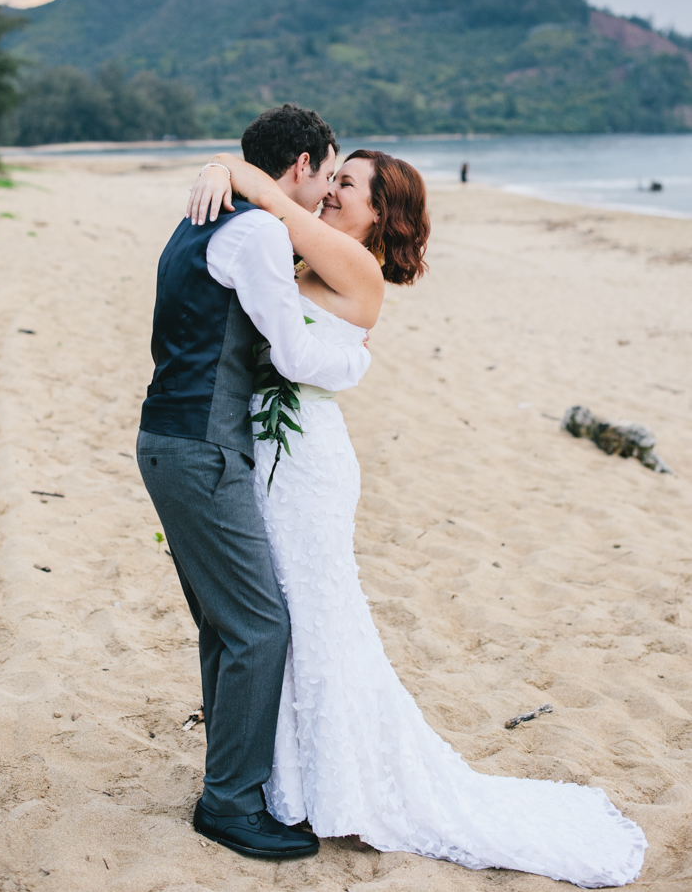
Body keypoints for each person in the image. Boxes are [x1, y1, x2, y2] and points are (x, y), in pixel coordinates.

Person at [186, 148, 648, 887]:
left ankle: (321, 784)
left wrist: (234, 171)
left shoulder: (355, 270)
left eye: (350, 186)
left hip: (308, 470)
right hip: (264, 460)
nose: (333, 191)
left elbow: (283, 214)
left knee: (312, 615)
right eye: (333, 178)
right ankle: (279, 778)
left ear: (381, 215)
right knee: (277, 614)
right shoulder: (307, 255)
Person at [136, 104, 373, 861]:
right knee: (258, 625)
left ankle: (229, 782)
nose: (326, 190)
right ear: (300, 165)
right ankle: (230, 803)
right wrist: (357, 362)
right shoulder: (262, 231)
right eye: (327, 172)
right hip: (202, 448)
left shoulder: (203, 214)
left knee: (226, 623)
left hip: (172, 438)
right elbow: (296, 355)